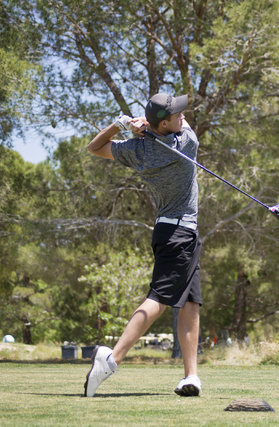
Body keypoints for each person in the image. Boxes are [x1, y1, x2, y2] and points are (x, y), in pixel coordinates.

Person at [84, 93, 202, 398]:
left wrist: (121, 124)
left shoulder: (137, 149)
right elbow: (185, 127)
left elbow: (94, 148)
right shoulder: (186, 143)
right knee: (159, 300)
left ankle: (191, 376)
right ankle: (112, 359)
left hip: (167, 231)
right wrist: (147, 126)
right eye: (176, 114)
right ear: (166, 123)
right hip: (181, 234)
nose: (181, 116)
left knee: (189, 302)